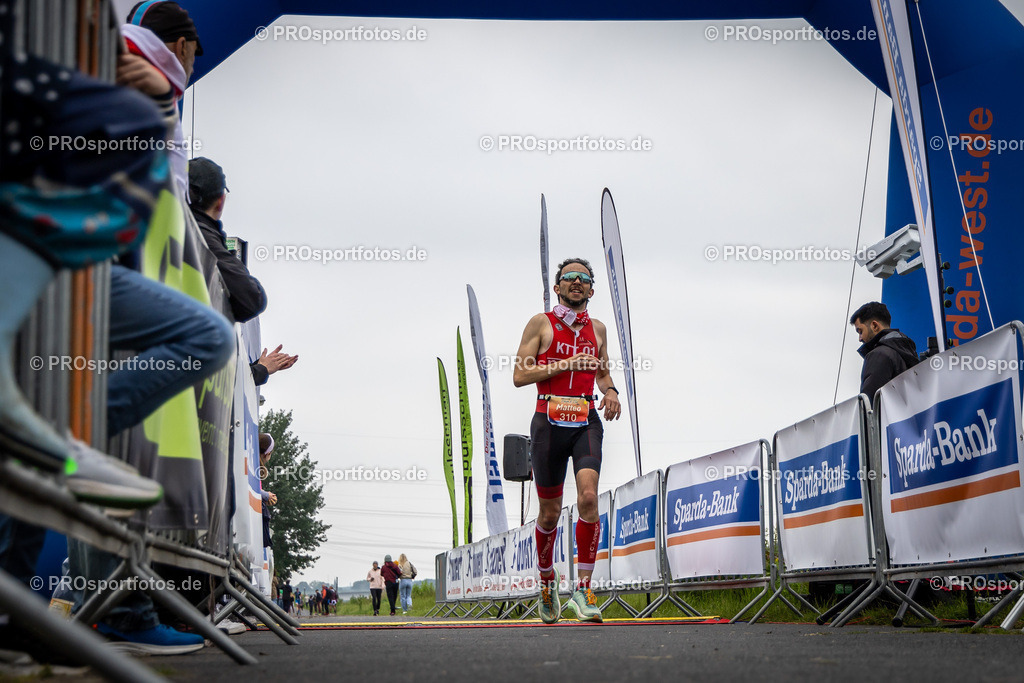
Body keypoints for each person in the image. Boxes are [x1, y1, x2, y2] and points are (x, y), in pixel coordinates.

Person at [512, 257, 621, 624]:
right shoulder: (541, 323)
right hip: (548, 420)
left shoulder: (599, 329)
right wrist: (564, 364)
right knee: (549, 512)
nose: (577, 281)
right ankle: (547, 582)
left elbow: (603, 373)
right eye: (569, 277)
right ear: (557, 287)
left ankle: (584, 589)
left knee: (589, 498)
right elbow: (519, 374)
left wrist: (611, 392)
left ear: (592, 289)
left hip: (585, 419)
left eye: (584, 278)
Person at [850, 301, 920, 399]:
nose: (860, 338)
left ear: (874, 326)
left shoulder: (879, 355)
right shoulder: (908, 353)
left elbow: (870, 404)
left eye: (860, 331)